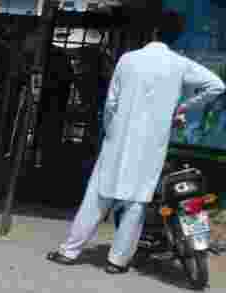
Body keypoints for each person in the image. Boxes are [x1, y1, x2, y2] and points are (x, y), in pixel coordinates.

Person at [46, 10, 224, 274]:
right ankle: (117, 262)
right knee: (136, 203)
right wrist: (182, 108)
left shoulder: (128, 60)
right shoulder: (180, 65)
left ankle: (69, 251)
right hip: (151, 145)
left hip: (118, 139)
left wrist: (110, 131)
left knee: (97, 197)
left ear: (153, 32)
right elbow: (217, 85)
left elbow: (111, 103)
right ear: (176, 37)